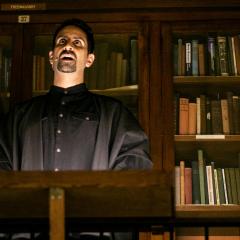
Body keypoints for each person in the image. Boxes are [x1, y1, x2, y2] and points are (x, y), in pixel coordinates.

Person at [0, 19, 152, 239]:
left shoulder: (113, 114)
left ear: (89, 59)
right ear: (52, 56)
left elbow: (135, 169)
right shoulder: (20, 116)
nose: (68, 46)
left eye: (77, 42)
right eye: (62, 41)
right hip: (30, 233)